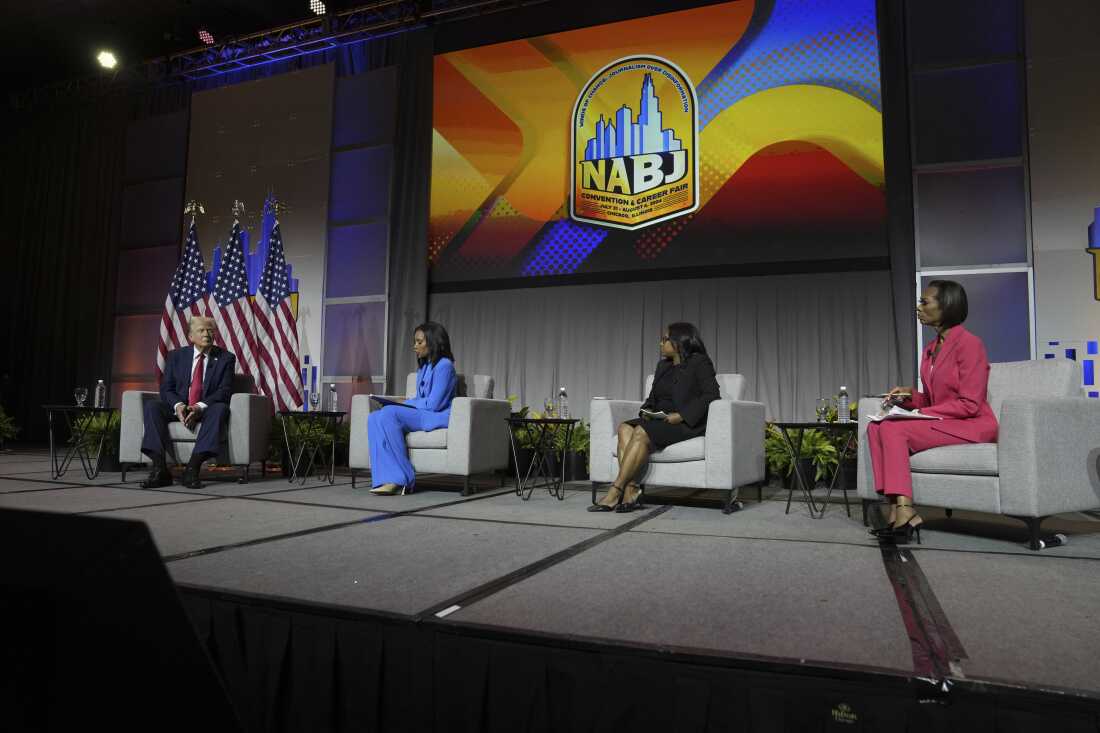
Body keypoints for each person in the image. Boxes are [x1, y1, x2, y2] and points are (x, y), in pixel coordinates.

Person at [869, 280, 997, 543]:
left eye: (925, 302)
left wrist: (918, 416)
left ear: (947, 306)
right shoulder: (930, 349)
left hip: (971, 423)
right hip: (946, 419)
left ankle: (906, 510)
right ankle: (894, 508)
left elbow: (970, 404)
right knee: (876, 427)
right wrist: (909, 398)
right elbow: (931, 399)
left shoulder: (970, 344)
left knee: (894, 428)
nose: (918, 307)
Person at [589, 322, 721, 513]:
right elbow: (652, 398)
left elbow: (711, 395)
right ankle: (632, 489)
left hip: (684, 424)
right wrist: (646, 411)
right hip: (659, 420)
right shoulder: (663, 366)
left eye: (665, 339)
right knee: (624, 428)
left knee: (641, 432)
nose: (660, 343)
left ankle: (616, 490)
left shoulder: (699, 362)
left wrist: (682, 416)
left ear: (679, 341)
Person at [141, 316, 236, 490]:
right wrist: (178, 406)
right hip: (179, 407)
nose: (207, 334)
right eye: (201, 330)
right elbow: (166, 389)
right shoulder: (176, 356)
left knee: (221, 409)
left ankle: (192, 469)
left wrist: (199, 407)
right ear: (190, 336)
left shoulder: (226, 358)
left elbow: (224, 391)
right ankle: (159, 469)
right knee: (152, 407)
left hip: (206, 408)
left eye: (210, 330)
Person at [367, 322, 457, 495]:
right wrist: (406, 401)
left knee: (389, 413)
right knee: (374, 417)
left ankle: (402, 480)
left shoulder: (445, 365)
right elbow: (420, 399)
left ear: (433, 342)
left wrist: (406, 403)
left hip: (437, 415)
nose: (414, 346)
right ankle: (384, 478)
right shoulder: (424, 367)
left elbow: (433, 404)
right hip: (423, 413)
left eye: (419, 342)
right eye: (415, 342)